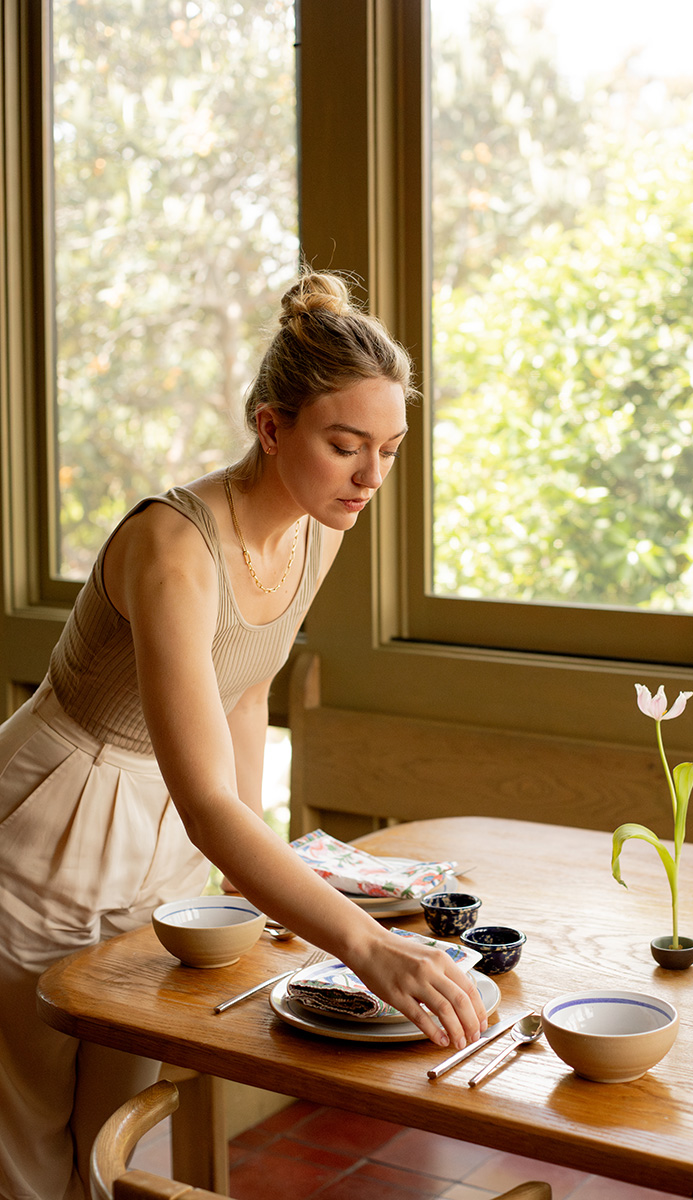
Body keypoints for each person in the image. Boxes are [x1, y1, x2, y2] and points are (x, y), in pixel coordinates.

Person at [0, 269, 487, 1200]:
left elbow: (245, 682)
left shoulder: (319, 525)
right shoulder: (173, 548)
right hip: (53, 819)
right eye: (346, 446)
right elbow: (207, 798)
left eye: (389, 449)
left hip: (173, 831)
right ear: (272, 428)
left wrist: (242, 867)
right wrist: (364, 945)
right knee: (23, 1136)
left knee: (116, 1128)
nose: (370, 478)